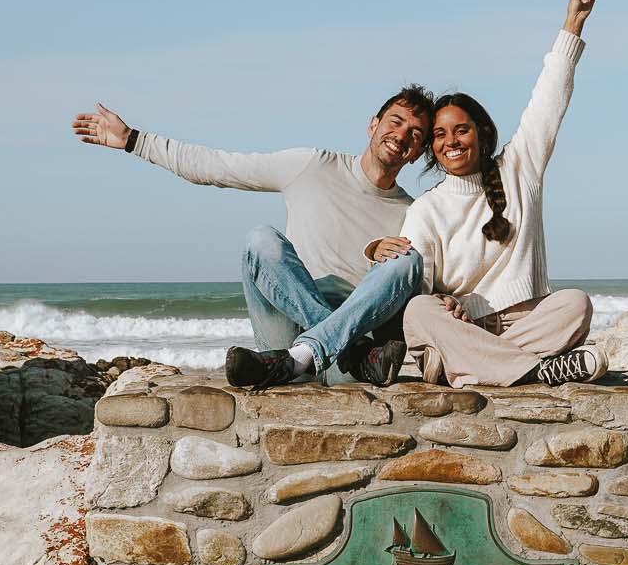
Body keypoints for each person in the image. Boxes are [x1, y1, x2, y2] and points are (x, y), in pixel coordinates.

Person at [70, 89, 434, 387]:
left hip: (332, 355)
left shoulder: (413, 213)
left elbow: (419, 292)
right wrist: (135, 140)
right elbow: (217, 166)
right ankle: (345, 350)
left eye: (415, 134)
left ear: (418, 153)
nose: (401, 135)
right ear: (373, 124)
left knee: (409, 262)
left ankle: (316, 354)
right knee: (260, 238)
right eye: (395, 121)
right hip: (298, 339)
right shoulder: (312, 166)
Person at [366, 0, 608, 389]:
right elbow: (418, 284)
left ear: (481, 133)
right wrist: (445, 301)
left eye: (461, 131)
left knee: (575, 304)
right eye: (440, 135)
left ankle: (475, 367)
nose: (451, 142)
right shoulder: (425, 208)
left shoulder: (519, 169)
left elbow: (549, 99)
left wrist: (573, 25)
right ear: (431, 147)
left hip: (524, 322)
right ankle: (534, 371)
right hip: (460, 323)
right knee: (419, 312)